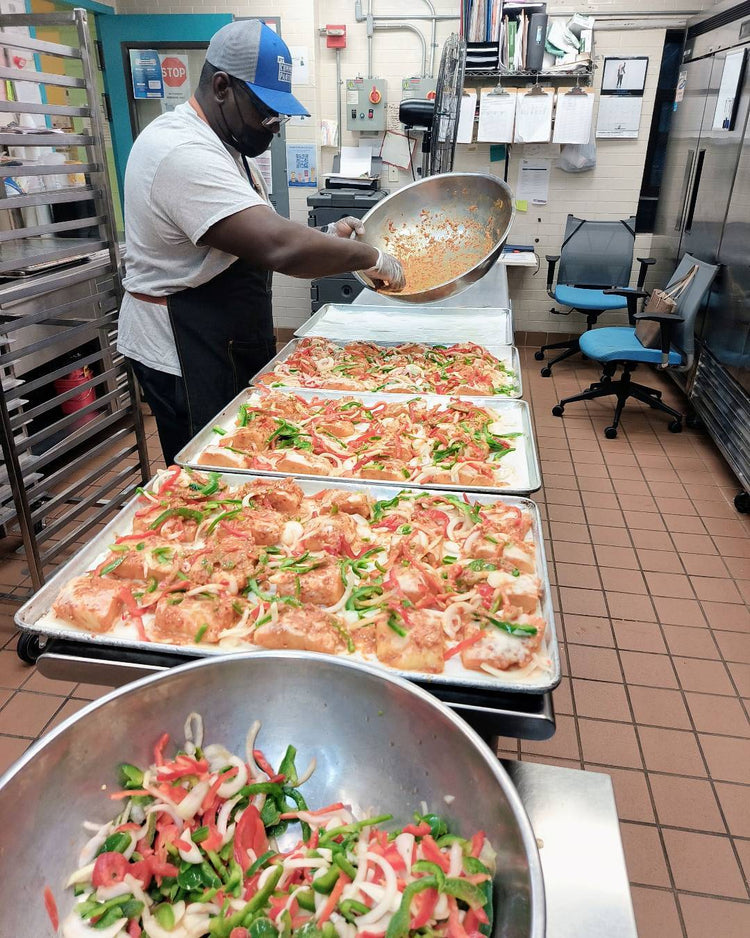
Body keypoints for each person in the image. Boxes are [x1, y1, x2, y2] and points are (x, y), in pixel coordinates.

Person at [117, 19, 405, 464]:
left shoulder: (227, 145)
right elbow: (277, 247)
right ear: (221, 88)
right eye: (266, 112)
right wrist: (370, 256)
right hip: (184, 346)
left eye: (280, 115)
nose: (273, 127)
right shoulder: (181, 150)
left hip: (222, 335)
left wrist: (327, 236)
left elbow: (246, 237)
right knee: (210, 468)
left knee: (251, 454)